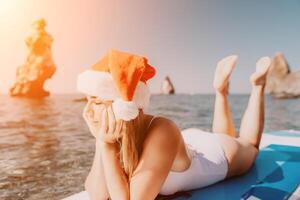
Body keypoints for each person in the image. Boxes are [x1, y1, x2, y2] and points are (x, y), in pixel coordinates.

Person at [77, 49, 271, 200]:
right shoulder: (117, 133)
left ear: (122, 107)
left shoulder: (162, 129)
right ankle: (221, 91)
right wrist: (100, 142)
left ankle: (258, 84)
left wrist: (106, 146)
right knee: (222, 133)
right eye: (86, 100)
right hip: (183, 145)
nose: (87, 112)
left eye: (96, 102)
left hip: (217, 155)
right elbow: (97, 194)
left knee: (250, 144)